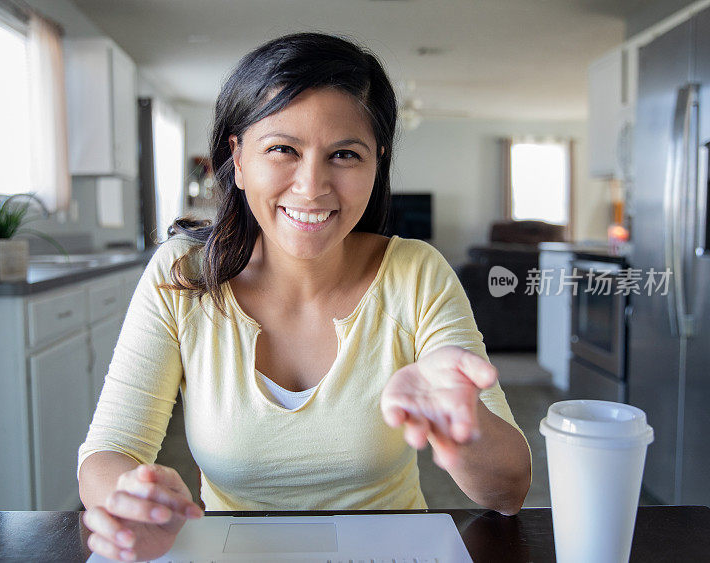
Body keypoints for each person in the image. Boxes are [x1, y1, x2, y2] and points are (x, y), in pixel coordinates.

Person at [78, 31, 532, 562]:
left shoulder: (415, 273)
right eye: (282, 150)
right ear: (239, 158)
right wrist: (134, 501)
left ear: (376, 163)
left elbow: (508, 492)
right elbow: (110, 450)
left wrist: (463, 424)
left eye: (344, 154)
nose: (312, 186)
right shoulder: (182, 276)